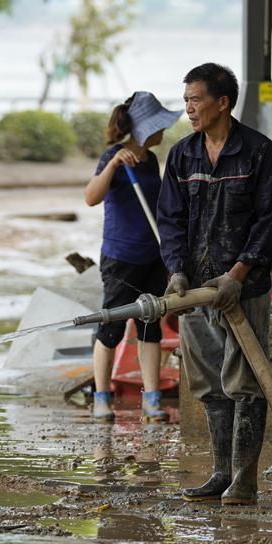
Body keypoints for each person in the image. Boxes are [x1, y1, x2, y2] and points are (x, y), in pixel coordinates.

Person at [157, 63, 272, 505]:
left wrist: (238, 274)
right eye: (186, 99)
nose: (188, 109)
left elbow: (268, 223)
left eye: (195, 100)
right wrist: (176, 272)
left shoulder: (258, 152)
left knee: (245, 384)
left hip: (241, 292)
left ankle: (244, 480)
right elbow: (169, 221)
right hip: (195, 294)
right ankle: (220, 474)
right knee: (210, 385)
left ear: (222, 102)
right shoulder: (182, 155)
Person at [84, 91, 182, 422]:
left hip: (152, 256)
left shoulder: (151, 160)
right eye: (159, 126)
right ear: (143, 128)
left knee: (150, 326)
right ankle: (101, 398)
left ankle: (152, 401)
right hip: (121, 258)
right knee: (110, 328)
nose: (163, 132)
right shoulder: (113, 156)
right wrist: (112, 164)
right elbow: (90, 197)